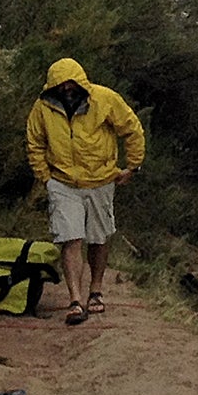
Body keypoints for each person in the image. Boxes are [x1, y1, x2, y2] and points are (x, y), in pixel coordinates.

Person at [24, 58, 145, 325]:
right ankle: (75, 301)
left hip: (101, 180)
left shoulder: (104, 99)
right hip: (62, 182)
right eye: (61, 84)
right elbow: (34, 142)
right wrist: (45, 178)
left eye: (71, 83)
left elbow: (132, 128)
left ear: (81, 81)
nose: (67, 88)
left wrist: (133, 166)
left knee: (98, 238)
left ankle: (96, 291)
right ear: (52, 86)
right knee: (71, 238)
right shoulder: (42, 107)